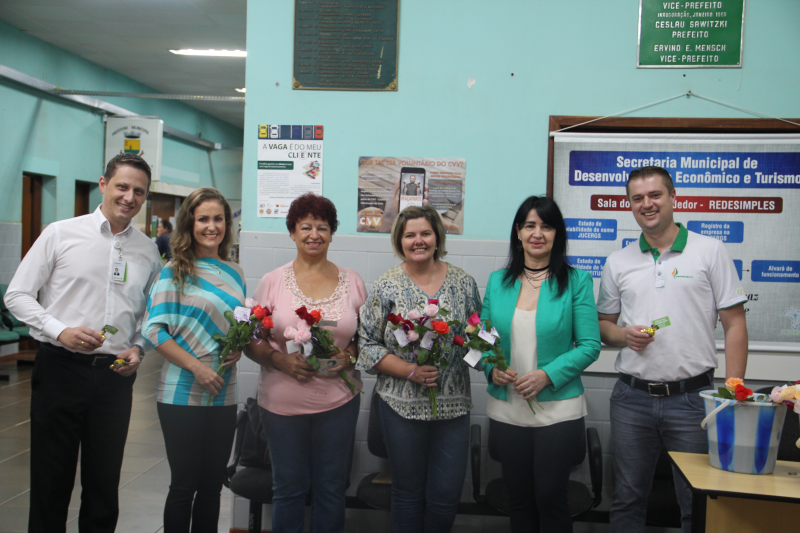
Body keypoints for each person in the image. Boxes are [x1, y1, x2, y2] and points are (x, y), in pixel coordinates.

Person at [4, 153, 161, 533]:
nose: (129, 197)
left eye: (138, 192)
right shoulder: (61, 233)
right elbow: (17, 294)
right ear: (103, 184)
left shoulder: (148, 250)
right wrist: (60, 330)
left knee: (104, 484)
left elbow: (152, 315)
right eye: (122, 186)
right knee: (50, 478)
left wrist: (139, 348)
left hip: (114, 378)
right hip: (60, 369)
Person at [597, 166, 748, 533]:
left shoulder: (709, 251)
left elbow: (735, 324)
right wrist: (624, 336)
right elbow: (604, 327)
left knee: (697, 501)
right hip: (632, 398)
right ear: (630, 205)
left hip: (693, 399)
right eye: (637, 198)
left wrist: (733, 390)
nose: (646, 204)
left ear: (673, 197)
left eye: (655, 195)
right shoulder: (619, 261)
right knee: (628, 498)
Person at [245, 192, 365, 533]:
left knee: (330, 489)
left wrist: (350, 355)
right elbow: (250, 340)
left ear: (332, 233)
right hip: (282, 405)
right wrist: (280, 361)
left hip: (339, 403)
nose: (314, 234)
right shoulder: (272, 280)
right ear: (292, 232)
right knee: (288, 490)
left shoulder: (352, 281)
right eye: (306, 227)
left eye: (322, 227)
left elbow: (365, 340)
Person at [357, 205, 481, 533]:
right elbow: (366, 345)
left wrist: (493, 365)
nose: (418, 241)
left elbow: (478, 337)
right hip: (400, 407)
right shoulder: (387, 285)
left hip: (453, 408)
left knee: (446, 495)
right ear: (400, 240)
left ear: (438, 237)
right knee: (408, 493)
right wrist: (408, 371)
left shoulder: (463, 283)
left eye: (425, 233)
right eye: (410, 235)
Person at [480, 196, 601, 533]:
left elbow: (590, 345)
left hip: (559, 408)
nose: (537, 233)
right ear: (518, 232)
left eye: (546, 226)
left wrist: (547, 375)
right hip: (508, 408)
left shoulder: (576, 281)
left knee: (549, 496)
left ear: (557, 234)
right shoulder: (496, 281)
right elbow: (480, 341)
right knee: (518, 498)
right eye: (530, 225)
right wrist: (492, 368)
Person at [142, 188, 244, 532]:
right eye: (203, 219)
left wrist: (240, 346)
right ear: (190, 223)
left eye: (218, 219)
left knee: (213, 487)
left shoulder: (235, 273)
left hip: (223, 392)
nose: (211, 226)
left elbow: (238, 325)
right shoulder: (173, 272)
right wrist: (196, 367)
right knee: (184, 485)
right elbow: (154, 331)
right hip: (181, 391)